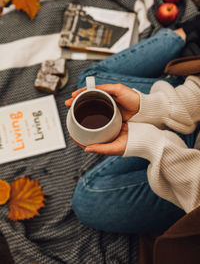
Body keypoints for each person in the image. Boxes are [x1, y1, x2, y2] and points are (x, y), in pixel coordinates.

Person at [65, 16, 200, 234]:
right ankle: (182, 34)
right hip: (190, 110)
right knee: (91, 84)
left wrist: (151, 143)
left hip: (190, 184)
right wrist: (148, 106)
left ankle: (181, 36)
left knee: (88, 199)